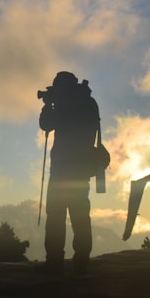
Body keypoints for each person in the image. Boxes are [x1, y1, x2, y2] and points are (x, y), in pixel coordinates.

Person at [39, 71, 101, 274]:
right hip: (81, 169)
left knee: (56, 216)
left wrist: (49, 105)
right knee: (81, 216)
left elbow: (46, 124)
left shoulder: (67, 104)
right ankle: (82, 261)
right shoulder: (88, 102)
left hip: (62, 171)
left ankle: (55, 262)